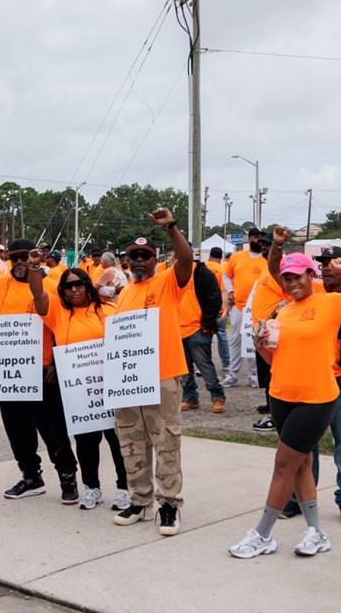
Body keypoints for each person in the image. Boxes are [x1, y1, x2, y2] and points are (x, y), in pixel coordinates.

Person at [228, 228, 341, 559]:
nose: (293, 283)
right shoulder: (283, 312)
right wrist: (262, 345)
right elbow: (277, 357)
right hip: (281, 395)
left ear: (310, 276)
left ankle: (262, 534)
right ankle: (316, 532)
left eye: (298, 276)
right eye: (287, 278)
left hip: (316, 398)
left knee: (283, 464)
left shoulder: (329, 303)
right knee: (301, 465)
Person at [0, 235, 79, 500]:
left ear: (36, 257)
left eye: (24, 256)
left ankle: (68, 477)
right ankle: (31, 476)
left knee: (53, 430)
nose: (20, 261)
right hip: (8, 373)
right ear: (7, 259)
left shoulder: (52, 286)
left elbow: (65, 326)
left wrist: (55, 361)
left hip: (43, 372)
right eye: (15, 257)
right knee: (17, 431)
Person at [275, 245, 341, 528]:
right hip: (312, 386)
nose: (327, 268)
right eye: (322, 264)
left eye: (332, 264)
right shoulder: (305, 304)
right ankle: (300, 498)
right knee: (305, 447)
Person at [111, 208, 192, 537]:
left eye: (146, 256)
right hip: (130, 381)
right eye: (135, 257)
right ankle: (140, 500)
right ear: (127, 262)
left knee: (166, 441)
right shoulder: (125, 293)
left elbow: (185, 261)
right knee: (132, 441)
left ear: (156, 260)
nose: (140, 261)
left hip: (163, 375)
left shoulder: (168, 282)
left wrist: (171, 227)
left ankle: (169, 503)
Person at [30, 264, 131, 512]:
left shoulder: (109, 309)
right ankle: (92, 488)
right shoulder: (58, 312)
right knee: (86, 441)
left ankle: (124, 488)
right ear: (62, 291)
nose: (74, 289)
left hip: (111, 386)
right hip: (79, 392)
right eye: (68, 286)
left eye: (79, 284)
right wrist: (34, 267)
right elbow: (38, 294)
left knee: (117, 440)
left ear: (88, 285)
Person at [179, 256, 225, 413]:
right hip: (177, 330)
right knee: (183, 369)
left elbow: (214, 298)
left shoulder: (202, 273)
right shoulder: (171, 274)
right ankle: (190, 398)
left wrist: (206, 322)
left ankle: (217, 397)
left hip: (198, 329)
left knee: (204, 365)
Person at [223, 228, 267, 387]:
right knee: (236, 340)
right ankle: (232, 375)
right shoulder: (237, 256)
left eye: (262, 237)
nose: (259, 239)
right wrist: (230, 291)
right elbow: (226, 275)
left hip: (260, 310)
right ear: (249, 238)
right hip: (240, 307)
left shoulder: (268, 259)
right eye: (256, 236)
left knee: (255, 342)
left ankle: (254, 376)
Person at [204, 247, 230, 367]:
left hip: (204, 310)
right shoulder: (223, 269)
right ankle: (226, 362)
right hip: (219, 308)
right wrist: (225, 309)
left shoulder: (203, 267)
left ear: (210, 255)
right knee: (222, 335)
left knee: (205, 336)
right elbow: (224, 291)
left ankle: (204, 363)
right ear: (221, 257)